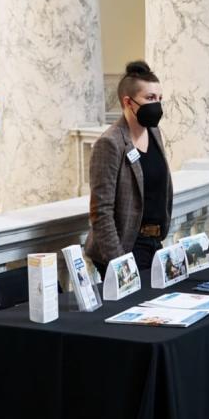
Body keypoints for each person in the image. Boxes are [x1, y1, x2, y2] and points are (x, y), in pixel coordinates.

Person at [84, 61, 173, 273]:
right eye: (150, 98)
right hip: (125, 248)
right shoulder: (110, 143)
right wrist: (119, 262)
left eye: (159, 98)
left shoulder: (154, 133)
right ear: (128, 102)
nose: (157, 104)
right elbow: (101, 211)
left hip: (153, 244)